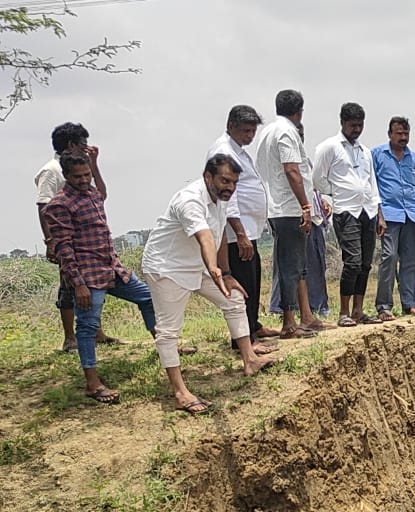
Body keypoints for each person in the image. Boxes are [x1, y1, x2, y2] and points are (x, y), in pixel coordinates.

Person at [142, 155, 276, 413]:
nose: (230, 187)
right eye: (225, 181)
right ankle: (180, 393)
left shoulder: (222, 200)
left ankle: (250, 359)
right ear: (208, 177)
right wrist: (213, 268)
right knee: (169, 330)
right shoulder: (190, 200)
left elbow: (219, 235)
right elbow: (204, 237)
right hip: (167, 267)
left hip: (200, 264)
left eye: (234, 182)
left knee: (234, 297)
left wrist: (226, 273)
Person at [44, 153, 157, 404]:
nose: (84, 180)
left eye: (87, 175)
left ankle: (166, 347)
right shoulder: (60, 205)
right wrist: (78, 284)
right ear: (66, 176)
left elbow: (102, 192)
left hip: (111, 268)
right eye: (78, 177)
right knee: (87, 326)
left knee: (148, 298)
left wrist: (95, 165)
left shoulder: (92, 193)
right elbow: (64, 248)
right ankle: (92, 383)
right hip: (87, 274)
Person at [35, 122, 118, 351]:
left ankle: (96, 332)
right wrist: (51, 241)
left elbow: (100, 194)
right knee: (69, 286)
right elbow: (43, 206)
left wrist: (94, 164)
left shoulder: (81, 166)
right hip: (66, 239)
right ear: (72, 144)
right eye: (83, 143)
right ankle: (70, 337)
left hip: (86, 240)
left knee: (93, 286)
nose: (87, 147)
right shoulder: (52, 170)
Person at [208, 104, 279, 351]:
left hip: (250, 227)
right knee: (242, 284)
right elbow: (229, 196)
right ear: (231, 126)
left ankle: (253, 325)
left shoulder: (238, 150)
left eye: (252, 131)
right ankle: (243, 338)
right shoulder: (224, 151)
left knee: (253, 278)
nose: (250, 136)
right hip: (236, 231)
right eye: (245, 131)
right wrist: (239, 233)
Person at [257, 89, 327, 338]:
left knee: (298, 265)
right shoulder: (287, 132)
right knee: (290, 267)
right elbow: (291, 170)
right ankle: (289, 323)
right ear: (299, 111)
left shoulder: (268, 131)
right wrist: (305, 206)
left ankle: (306, 316)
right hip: (288, 207)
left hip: (277, 206)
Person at [312, 102, 387, 327]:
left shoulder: (365, 152)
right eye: (353, 125)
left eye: (360, 125)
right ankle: (343, 312)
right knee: (352, 262)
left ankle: (358, 311)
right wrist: (337, 191)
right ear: (343, 122)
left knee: (365, 264)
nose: (357, 129)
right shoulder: (329, 147)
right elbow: (318, 179)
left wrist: (379, 214)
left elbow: (372, 183)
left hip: (368, 210)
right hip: (346, 211)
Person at [268, 123, 333, 322]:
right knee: (290, 265)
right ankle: (283, 308)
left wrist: (321, 202)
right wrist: (305, 208)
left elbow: (310, 187)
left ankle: (316, 306)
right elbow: (291, 182)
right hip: (294, 215)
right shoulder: (284, 161)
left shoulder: (305, 161)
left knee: (313, 265)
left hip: (314, 218)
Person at [372, 116, 415, 319]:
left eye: (406, 133)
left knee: (413, 260)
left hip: (412, 215)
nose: (403, 137)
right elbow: (372, 186)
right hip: (389, 215)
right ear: (390, 134)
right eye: (399, 133)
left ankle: (411, 303)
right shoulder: (377, 155)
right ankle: (384, 306)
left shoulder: (413, 158)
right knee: (389, 257)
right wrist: (378, 215)